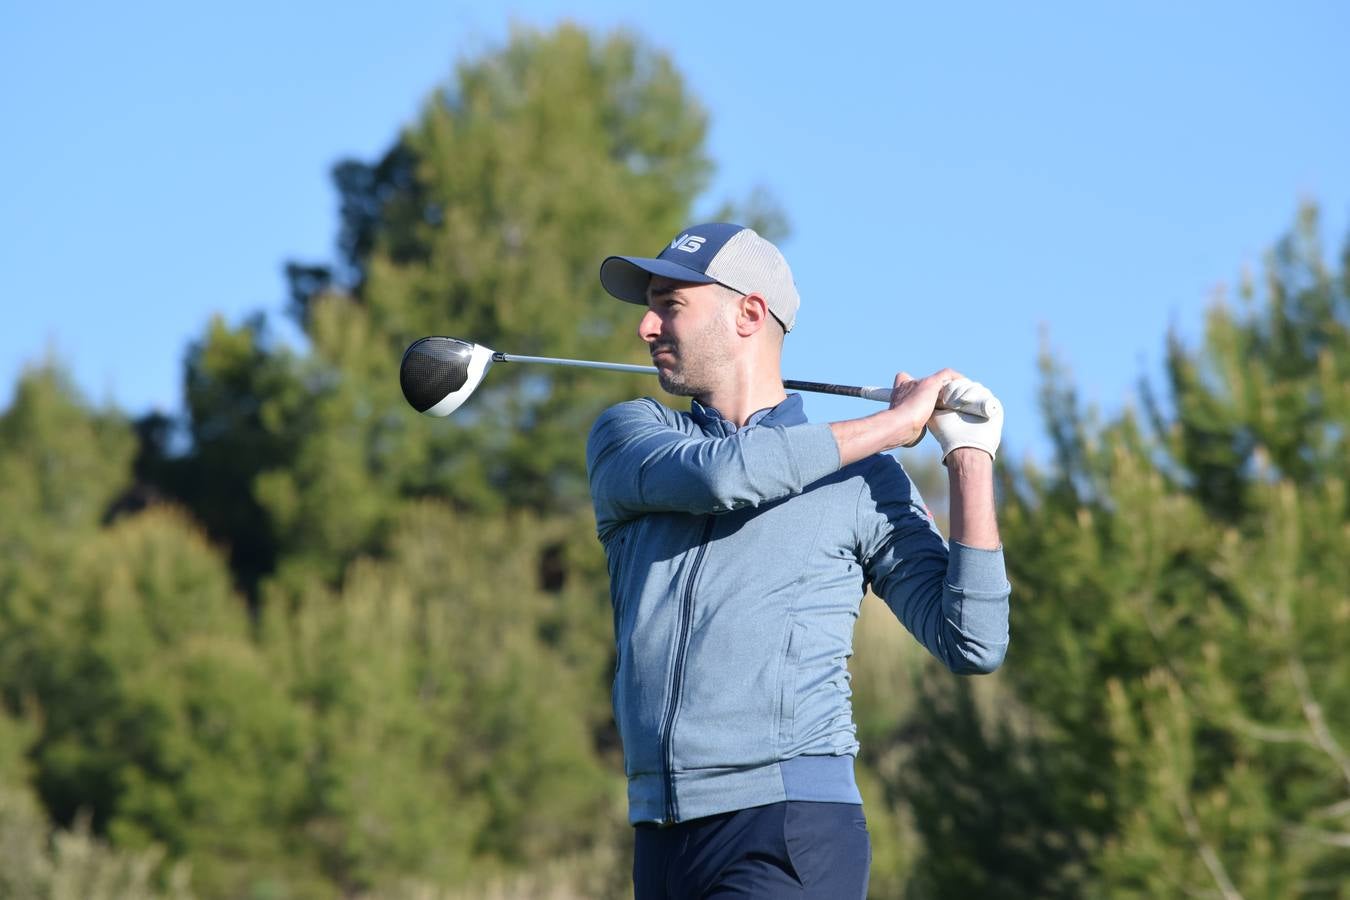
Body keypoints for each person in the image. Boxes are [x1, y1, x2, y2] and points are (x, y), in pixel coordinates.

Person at [586, 223, 1010, 899]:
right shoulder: (632, 437)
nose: (645, 326)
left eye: (670, 304)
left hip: (786, 827)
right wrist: (893, 429)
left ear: (749, 313)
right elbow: (726, 477)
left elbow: (973, 641)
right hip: (659, 836)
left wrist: (969, 460)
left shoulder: (860, 481)